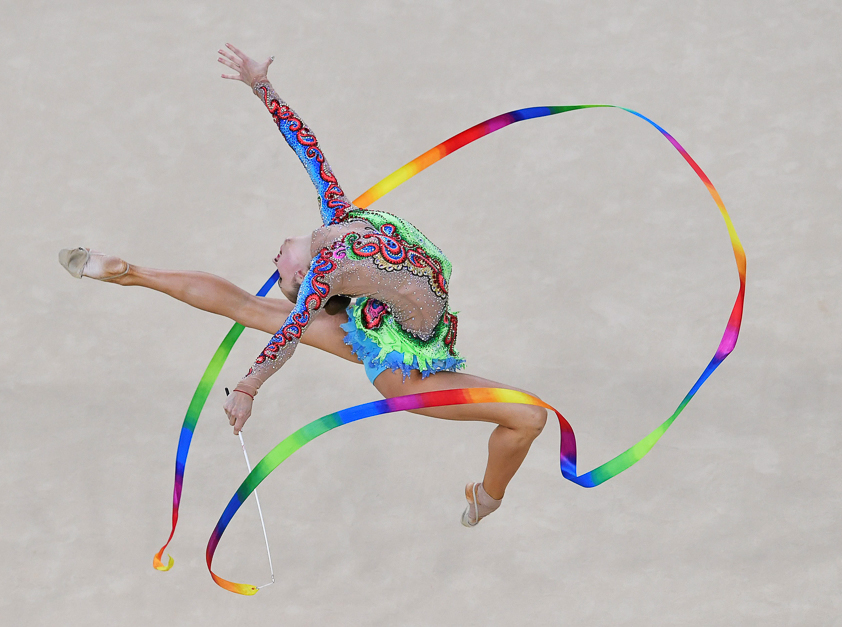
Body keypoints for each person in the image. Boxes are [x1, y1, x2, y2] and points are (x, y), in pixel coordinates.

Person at [59, 44, 547, 527]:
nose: (273, 260)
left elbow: (305, 145)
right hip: (404, 371)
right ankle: (489, 499)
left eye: (279, 265)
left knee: (252, 307)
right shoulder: (328, 267)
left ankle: (131, 273)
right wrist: (248, 385)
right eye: (285, 272)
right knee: (530, 418)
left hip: (390, 328)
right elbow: (291, 329)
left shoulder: (338, 216)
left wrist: (261, 86)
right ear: (303, 277)